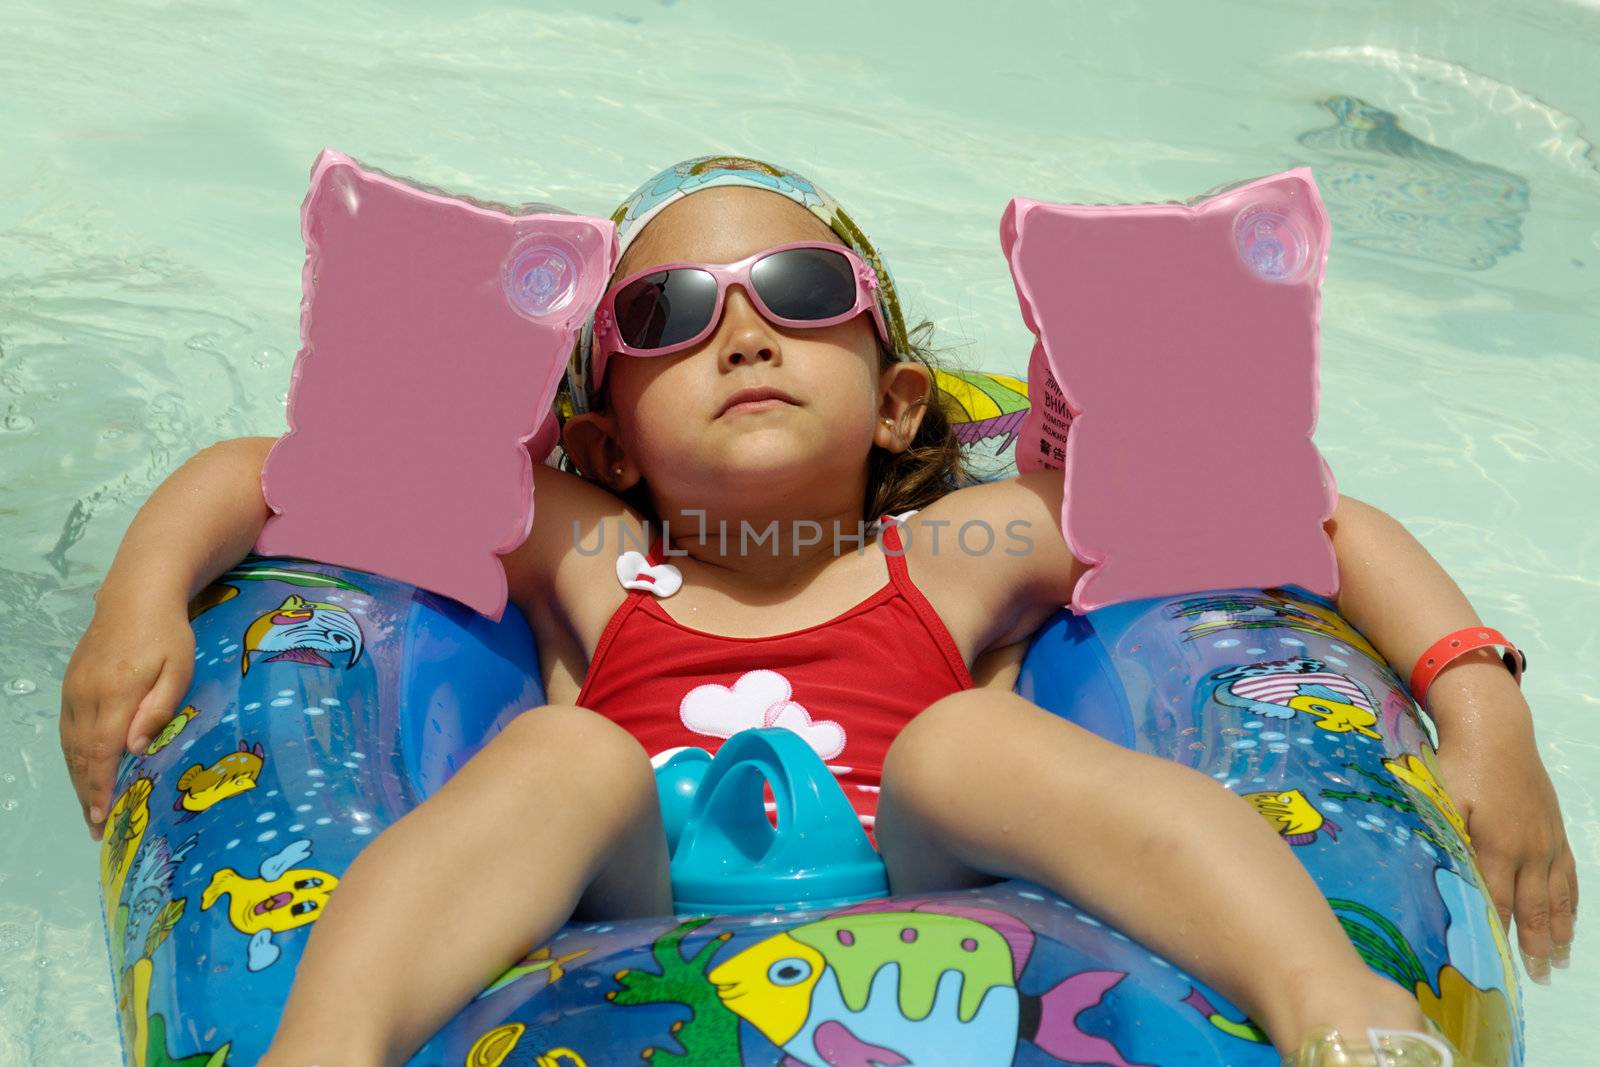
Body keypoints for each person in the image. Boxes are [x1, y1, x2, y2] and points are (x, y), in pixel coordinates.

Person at [61, 156, 1575, 1067]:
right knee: (570, 760)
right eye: (665, 318)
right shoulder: (594, 550)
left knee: (962, 746)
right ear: (602, 435)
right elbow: (273, 478)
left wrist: (1476, 692)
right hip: (631, 919)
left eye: (798, 290)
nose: (740, 334)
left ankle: (1327, 998)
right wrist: (137, 596)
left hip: (933, 889)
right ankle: (329, 1047)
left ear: (898, 390)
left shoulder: (962, 545)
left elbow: (1303, 528)